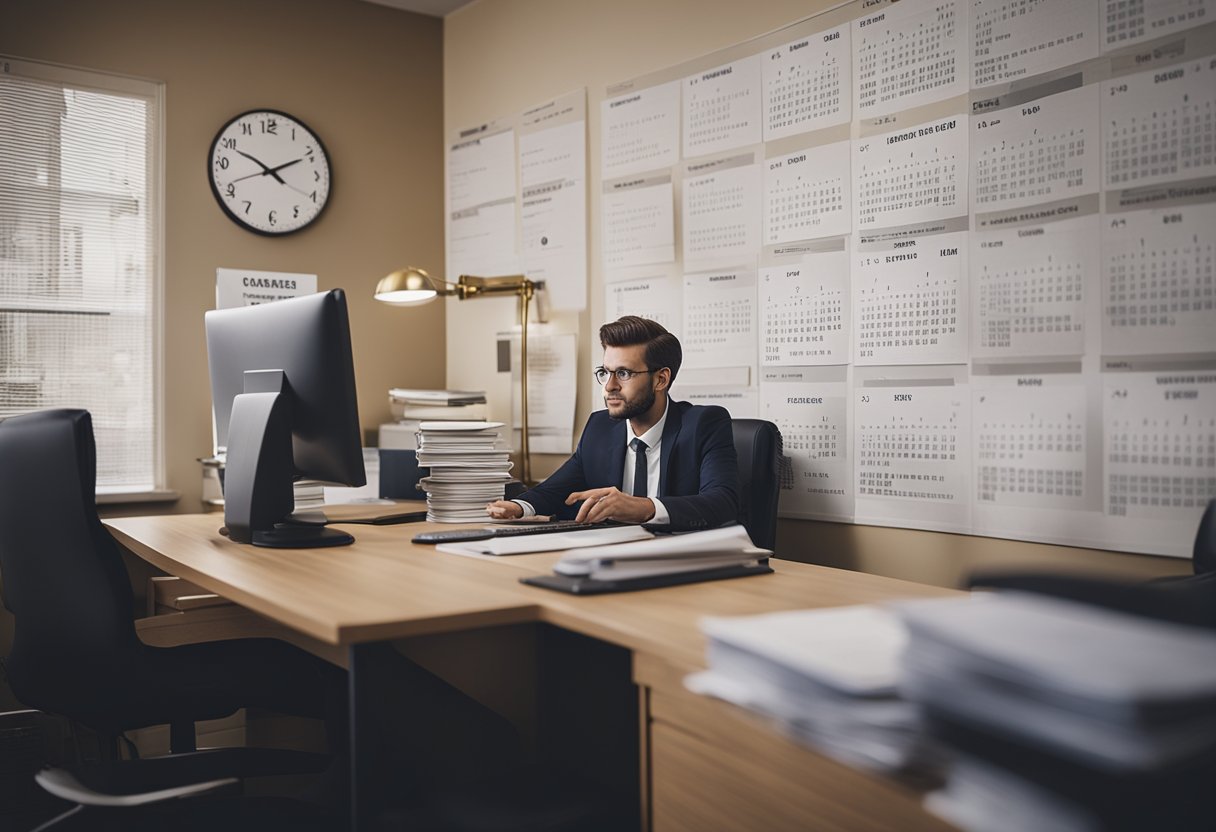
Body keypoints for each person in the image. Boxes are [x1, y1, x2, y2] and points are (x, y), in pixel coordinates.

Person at [486, 315, 739, 530]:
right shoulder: (600, 427)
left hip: (683, 564)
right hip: (613, 558)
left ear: (661, 379)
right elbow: (556, 490)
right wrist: (517, 507)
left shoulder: (704, 424)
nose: (610, 386)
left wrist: (642, 508)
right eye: (605, 372)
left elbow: (722, 502)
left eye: (624, 373)